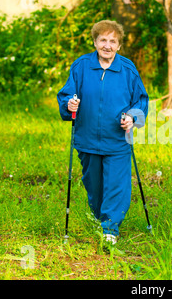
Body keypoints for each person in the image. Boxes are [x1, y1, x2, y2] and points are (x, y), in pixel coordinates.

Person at [57, 20, 149, 245]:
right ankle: (100, 215)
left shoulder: (127, 69)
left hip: (117, 140)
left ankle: (110, 227)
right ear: (95, 42)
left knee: (116, 185)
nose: (107, 45)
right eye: (103, 40)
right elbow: (66, 95)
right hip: (87, 138)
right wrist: (69, 104)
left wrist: (132, 118)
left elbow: (141, 101)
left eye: (113, 41)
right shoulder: (81, 66)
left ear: (119, 45)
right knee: (93, 183)